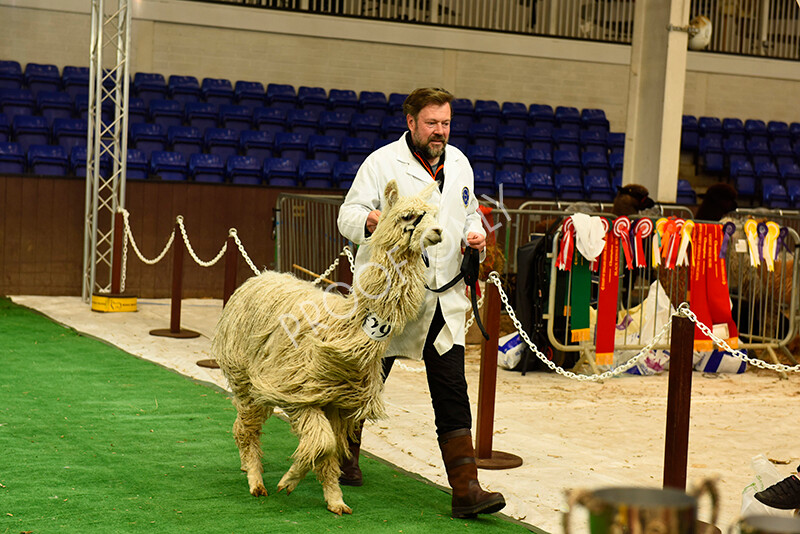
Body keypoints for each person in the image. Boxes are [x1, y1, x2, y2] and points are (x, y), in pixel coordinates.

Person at [336, 87, 506, 518]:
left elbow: (467, 214)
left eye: (445, 123)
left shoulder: (461, 164)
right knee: (366, 376)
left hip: (442, 297)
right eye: (431, 123)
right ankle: (341, 455)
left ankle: (466, 488)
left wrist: (476, 235)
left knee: (451, 388)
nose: (440, 131)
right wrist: (371, 220)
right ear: (410, 122)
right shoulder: (381, 163)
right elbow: (348, 215)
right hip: (389, 296)